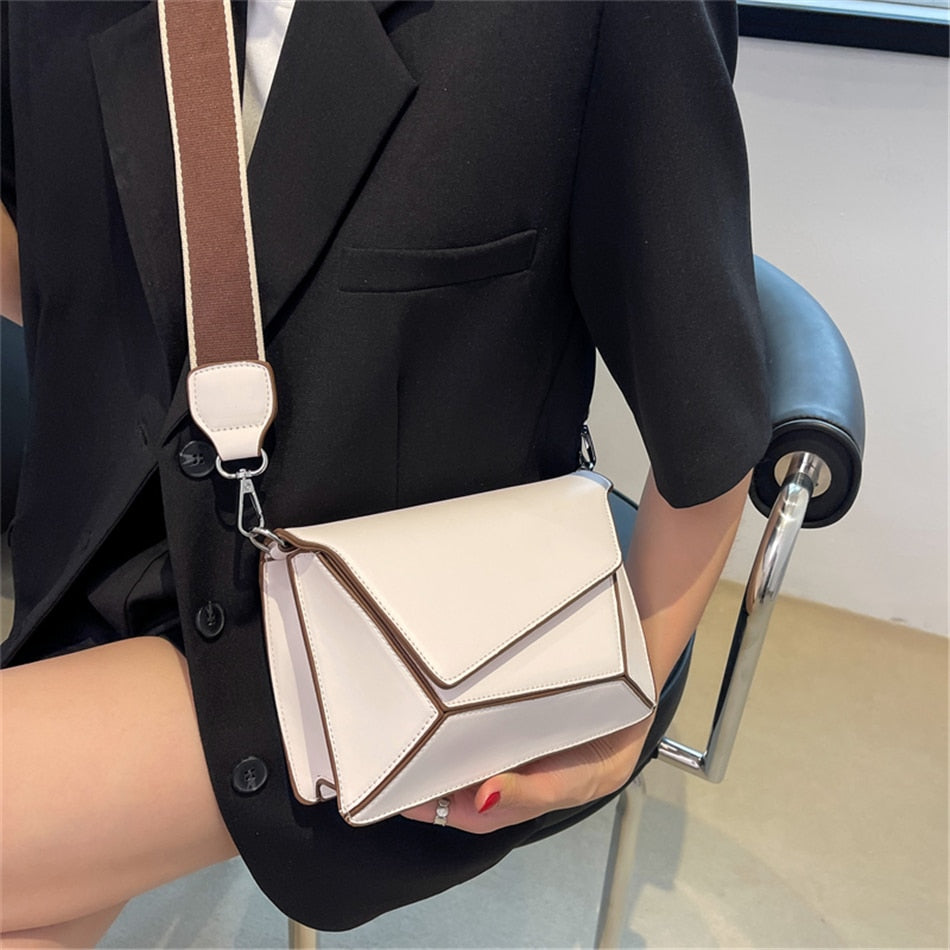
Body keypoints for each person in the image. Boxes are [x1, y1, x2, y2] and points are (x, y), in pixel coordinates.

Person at [0, 0, 770, 946]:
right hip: (101, 552)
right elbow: (60, 274)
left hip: (400, 632)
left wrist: (623, 712)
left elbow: (708, 410)